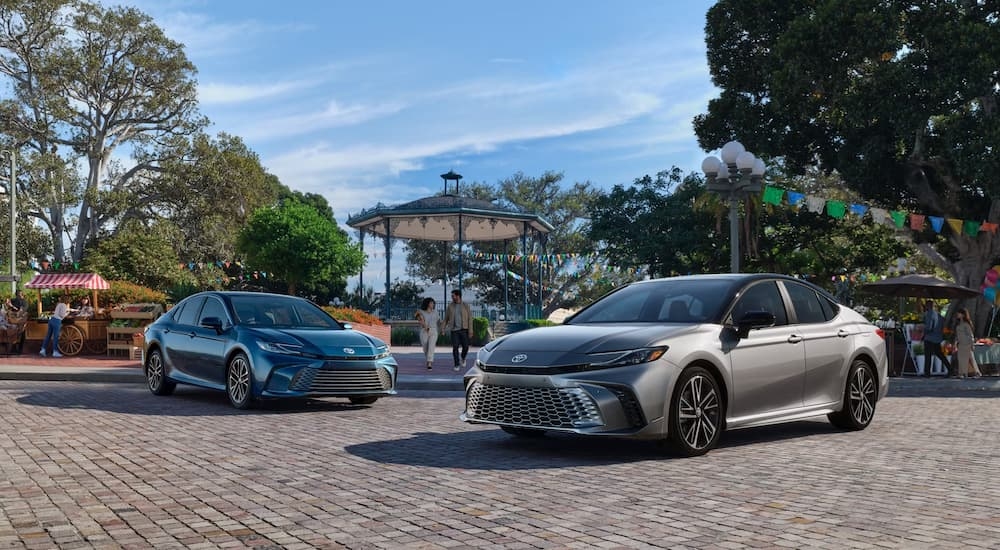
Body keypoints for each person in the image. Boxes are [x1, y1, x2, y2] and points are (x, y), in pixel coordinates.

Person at [443, 289, 472, 371]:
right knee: (455, 347)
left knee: (465, 347)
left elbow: (470, 318)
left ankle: (463, 357)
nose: (452, 297)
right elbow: (446, 319)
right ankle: (456, 364)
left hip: (464, 329)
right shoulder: (450, 306)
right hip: (454, 330)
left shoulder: (465, 305)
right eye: (452, 296)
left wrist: (471, 331)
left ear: (458, 296)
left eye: (453, 296)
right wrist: (443, 329)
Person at [922, 300, 950, 377]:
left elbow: (929, 327)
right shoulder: (938, 315)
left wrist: (923, 331)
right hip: (937, 337)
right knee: (939, 354)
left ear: (927, 306)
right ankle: (950, 368)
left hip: (929, 337)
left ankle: (927, 373)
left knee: (928, 355)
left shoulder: (929, 314)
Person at [953, 308, 983, 378]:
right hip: (960, 344)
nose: (957, 314)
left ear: (963, 315)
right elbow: (957, 335)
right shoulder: (958, 324)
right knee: (961, 359)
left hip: (967, 343)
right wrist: (955, 343)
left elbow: (970, 335)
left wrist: (972, 344)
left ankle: (977, 373)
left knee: (971, 358)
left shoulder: (966, 324)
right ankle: (962, 373)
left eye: (959, 313)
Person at [415, 297, 439, 369]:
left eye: (433, 303)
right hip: (424, 331)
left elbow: (438, 321)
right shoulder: (420, 311)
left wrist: (443, 327)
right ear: (427, 303)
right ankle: (428, 359)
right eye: (431, 303)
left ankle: (429, 363)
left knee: (431, 346)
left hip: (433, 331)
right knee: (426, 348)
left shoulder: (435, 312)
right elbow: (419, 319)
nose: (433, 304)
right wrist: (426, 327)